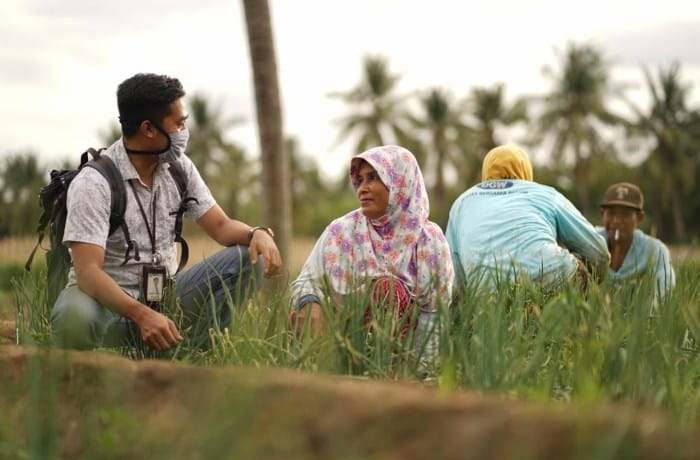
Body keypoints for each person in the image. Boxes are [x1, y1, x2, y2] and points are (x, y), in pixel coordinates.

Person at [50, 73, 282, 351]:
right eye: (180, 123)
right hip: (108, 307)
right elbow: (88, 272)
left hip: (166, 299)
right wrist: (142, 315)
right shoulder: (94, 182)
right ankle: (86, 378)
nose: (184, 132)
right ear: (149, 129)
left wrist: (256, 233)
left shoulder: (179, 168)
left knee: (247, 257)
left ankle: (192, 355)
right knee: (73, 315)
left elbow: (221, 226)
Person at [290, 145, 454, 360]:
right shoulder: (342, 231)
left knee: (388, 290)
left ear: (400, 182)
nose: (362, 188)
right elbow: (306, 281)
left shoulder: (429, 240)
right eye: (360, 181)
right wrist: (309, 302)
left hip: (406, 355)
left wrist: (421, 373)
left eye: (373, 178)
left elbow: (434, 317)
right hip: (341, 343)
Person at [446, 144, 610, 295]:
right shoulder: (545, 194)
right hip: (553, 275)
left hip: (487, 296)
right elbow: (598, 252)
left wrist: (464, 311)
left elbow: (453, 272)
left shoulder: (462, 202)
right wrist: (596, 281)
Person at [596, 182, 675, 298]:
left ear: (639, 218)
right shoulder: (589, 241)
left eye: (625, 214)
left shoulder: (654, 250)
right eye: (611, 213)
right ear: (602, 214)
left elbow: (663, 291)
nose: (617, 220)